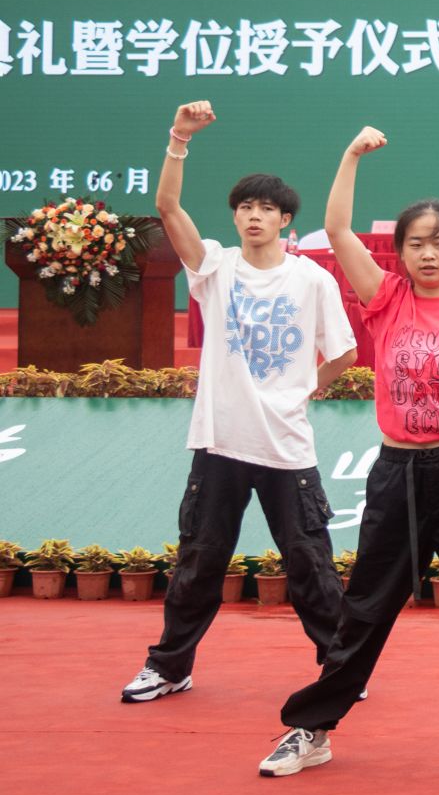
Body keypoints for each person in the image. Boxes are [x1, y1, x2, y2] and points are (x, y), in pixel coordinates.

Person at [262, 126, 439, 776]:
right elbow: (337, 230)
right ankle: (314, 729)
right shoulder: (387, 301)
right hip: (398, 474)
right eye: (415, 243)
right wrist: (350, 155)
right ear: (399, 253)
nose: (428, 253)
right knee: (365, 610)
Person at [121, 100, 356, 705]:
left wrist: (302, 391)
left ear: (285, 220)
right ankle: (170, 666)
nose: (255, 216)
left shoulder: (312, 279)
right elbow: (167, 207)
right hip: (220, 443)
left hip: (286, 447)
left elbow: (345, 353)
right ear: (235, 216)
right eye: (246, 207)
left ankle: (340, 668)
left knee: (310, 565)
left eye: (267, 209)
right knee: (199, 563)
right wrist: (179, 139)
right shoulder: (214, 268)